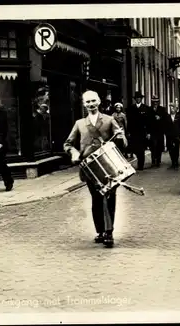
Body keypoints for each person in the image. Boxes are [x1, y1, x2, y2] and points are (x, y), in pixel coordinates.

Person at [63, 90, 127, 248]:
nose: (91, 104)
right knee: (96, 199)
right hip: (90, 168)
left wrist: (120, 137)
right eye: (87, 102)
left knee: (110, 197)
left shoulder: (109, 120)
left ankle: (109, 232)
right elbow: (68, 144)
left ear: (99, 102)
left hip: (109, 166)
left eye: (93, 101)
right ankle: (100, 231)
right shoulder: (79, 123)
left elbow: (123, 142)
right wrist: (74, 153)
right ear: (84, 104)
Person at [126, 91, 150, 169]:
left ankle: (141, 165)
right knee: (135, 148)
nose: (138, 99)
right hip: (134, 132)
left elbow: (148, 121)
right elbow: (129, 121)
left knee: (142, 149)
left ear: (141, 99)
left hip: (142, 132)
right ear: (135, 99)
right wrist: (128, 131)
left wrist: (148, 132)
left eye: (139, 98)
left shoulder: (145, 108)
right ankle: (139, 160)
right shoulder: (131, 108)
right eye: (137, 98)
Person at [146, 95, 169, 168]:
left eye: (156, 101)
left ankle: (158, 161)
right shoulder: (149, 110)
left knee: (159, 146)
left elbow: (166, 119)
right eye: (154, 101)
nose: (155, 103)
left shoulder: (162, 109)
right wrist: (148, 132)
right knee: (153, 147)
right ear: (152, 102)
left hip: (160, 131)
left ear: (158, 102)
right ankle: (153, 161)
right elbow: (147, 122)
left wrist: (160, 118)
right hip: (152, 131)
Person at [165, 103, 180, 170]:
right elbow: (164, 126)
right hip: (169, 135)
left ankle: (176, 163)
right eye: (170, 107)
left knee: (176, 149)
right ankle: (172, 163)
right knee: (170, 149)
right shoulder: (167, 116)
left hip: (176, 135)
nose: (171, 109)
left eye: (173, 107)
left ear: (176, 109)